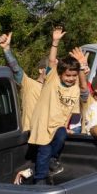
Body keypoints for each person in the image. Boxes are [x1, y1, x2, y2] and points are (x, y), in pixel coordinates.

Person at [28, 48, 89, 185]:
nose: (71, 79)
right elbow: (51, 61)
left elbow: (78, 99)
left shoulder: (74, 88)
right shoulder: (52, 81)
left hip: (57, 125)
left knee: (61, 136)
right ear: (60, 74)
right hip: (44, 124)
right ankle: (40, 180)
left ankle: (52, 159)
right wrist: (55, 43)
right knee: (44, 150)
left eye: (74, 76)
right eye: (68, 76)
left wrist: (81, 66)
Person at [0, 32, 49, 132]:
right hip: (29, 134)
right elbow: (15, 69)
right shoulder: (29, 84)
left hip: (48, 136)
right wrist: (6, 50)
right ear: (41, 70)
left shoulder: (57, 89)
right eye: (50, 68)